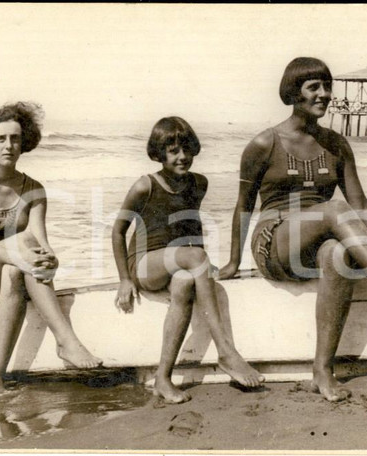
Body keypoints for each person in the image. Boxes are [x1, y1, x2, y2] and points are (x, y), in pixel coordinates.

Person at [218, 58, 367, 402]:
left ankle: (322, 370)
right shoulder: (264, 143)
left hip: (317, 243)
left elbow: (361, 204)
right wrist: (231, 262)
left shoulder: (336, 144)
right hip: (275, 243)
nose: (324, 94)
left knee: (338, 252)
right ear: (293, 93)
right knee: (334, 209)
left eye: (327, 86)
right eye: (313, 87)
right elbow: (243, 206)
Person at [0, 101, 102, 400]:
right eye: (1, 139)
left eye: (15, 138)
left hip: (12, 271)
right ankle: (66, 340)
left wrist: (51, 259)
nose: (9, 145)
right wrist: (22, 255)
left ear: (25, 142)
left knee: (18, 264)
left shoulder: (34, 189)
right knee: (21, 245)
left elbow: (42, 243)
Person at [112, 116, 264, 404]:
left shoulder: (199, 183)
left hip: (177, 263)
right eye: (173, 151)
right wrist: (124, 279)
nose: (182, 157)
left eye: (186, 150)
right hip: (144, 264)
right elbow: (118, 231)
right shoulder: (145, 186)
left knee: (184, 284)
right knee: (195, 259)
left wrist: (201, 268)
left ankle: (163, 378)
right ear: (159, 154)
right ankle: (226, 352)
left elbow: (191, 227)